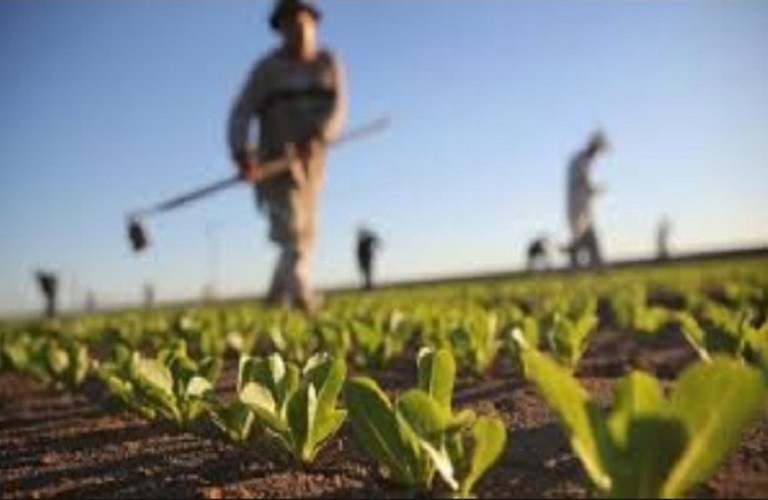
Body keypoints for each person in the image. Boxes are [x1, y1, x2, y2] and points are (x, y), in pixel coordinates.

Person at [228, 0, 347, 312]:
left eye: (302, 21)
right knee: (292, 230)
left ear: (314, 23)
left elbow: (337, 108)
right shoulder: (267, 70)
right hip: (275, 166)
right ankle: (302, 295)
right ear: (280, 29)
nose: (296, 29)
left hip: (312, 167)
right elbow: (241, 113)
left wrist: (320, 135)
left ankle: (274, 297)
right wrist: (242, 153)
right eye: (288, 23)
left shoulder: (327, 63)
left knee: (305, 232)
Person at [566, 130, 609, 269]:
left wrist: (592, 191)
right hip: (578, 207)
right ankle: (591, 266)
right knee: (583, 239)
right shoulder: (580, 160)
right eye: (598, 149)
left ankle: (590, 266)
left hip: (583, 208)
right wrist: (595, 190)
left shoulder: (583, 160)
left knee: (584, 239)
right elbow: (581, 182)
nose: (598, 154)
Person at [356, 226, 381, 290]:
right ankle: (368, 286)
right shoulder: (361, 241)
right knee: (366, 273)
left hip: (366, 259)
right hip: (364, 259)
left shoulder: (365, 240)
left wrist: (376, 245)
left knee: (368, 273)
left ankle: (368, 286)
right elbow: (358, 253)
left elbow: (375, 239)